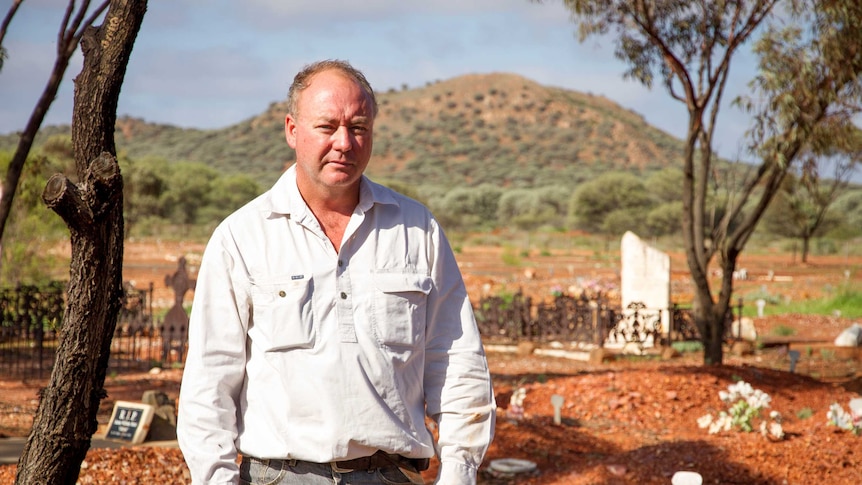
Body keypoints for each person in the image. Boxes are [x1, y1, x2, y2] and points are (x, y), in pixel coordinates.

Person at [177, 59, 496, 485]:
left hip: (390, 476)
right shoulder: (242, 237)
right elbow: (209, 381)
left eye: (358, 127)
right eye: (327, 127)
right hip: (278, 475)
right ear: (293, 130)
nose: (344, 142)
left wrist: (459, 472)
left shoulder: (418, 229)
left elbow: (456, 362)